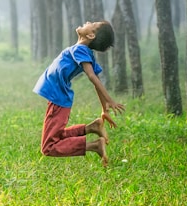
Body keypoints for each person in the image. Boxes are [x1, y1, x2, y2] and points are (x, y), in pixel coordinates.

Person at [33, 20, 125, 166]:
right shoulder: (83, 51)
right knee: (56, 136)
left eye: (92, 24)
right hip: (58, 98)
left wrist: (109, 100)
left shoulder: (80, 50)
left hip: (58, 99)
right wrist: (104, 109)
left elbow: (92, 76)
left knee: (48, 147)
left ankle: (94, 146)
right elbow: (96, 79)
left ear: (90, 35)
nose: (88, 22)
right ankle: (91, 128)